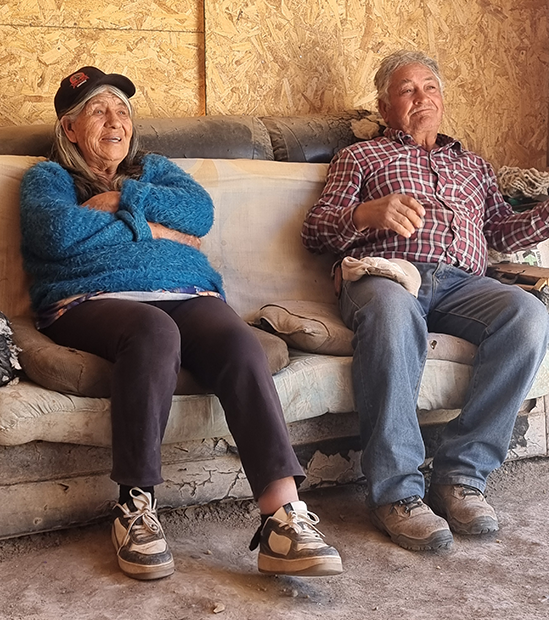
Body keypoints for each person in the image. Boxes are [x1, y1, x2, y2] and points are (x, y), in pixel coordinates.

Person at [20, 66, 342, 580]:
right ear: (69, 129)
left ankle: (283, 516)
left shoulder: (154, 168)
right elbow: (59, 233)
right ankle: (135, 506)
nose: (114, 121)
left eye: (122, 111)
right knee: (153, 331)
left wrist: (123, 203)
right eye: (98, 110)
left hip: (188, 293)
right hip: (90, 300)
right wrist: (156, 231)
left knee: (241, 344)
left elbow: (200, 213)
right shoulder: (48, 179)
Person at [302, 50, 549, 551]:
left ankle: (461, 476)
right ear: (383, 104)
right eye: (407, 89)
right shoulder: (360, 158)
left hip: (463, 283)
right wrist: (366, 215)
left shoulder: (474, 167)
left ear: (442, 100)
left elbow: (506, 231)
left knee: (527, 316)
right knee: (394, 313)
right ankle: (396, 494)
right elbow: (315, 231)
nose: (422, 97)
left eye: (430, 88)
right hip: (387, 275)